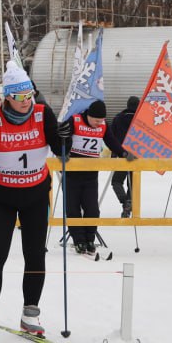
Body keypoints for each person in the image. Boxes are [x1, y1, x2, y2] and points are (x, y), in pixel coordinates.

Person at [0, 60, 69, 339]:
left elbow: (62, 150)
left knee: (35, 254)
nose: (26, 102)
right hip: (2, 196)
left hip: (36, 194)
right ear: (7, 98)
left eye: (29, 96)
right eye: (19, 97)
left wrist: (65, 137)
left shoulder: (42, 113)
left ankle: (30, 311)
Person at [63, 99, 109, 255]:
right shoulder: (75, 120)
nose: (99, 123)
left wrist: (123, 153)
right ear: (89, 116)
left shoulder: (103, 125)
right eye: (96, 120)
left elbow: (112, 140)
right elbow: (64, 137)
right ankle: (79, 241)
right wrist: (64, 151)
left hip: (91, 176)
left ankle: (89, 239)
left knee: (92, 210)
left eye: (101, 120)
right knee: (72, 209)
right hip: (72, 175)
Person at [108, 96, 138, 217]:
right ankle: (129, 203)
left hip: (122, 155)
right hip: (136, 156)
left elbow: (112, 137)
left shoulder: (118, 118)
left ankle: (125, 202)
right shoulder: (141, 120)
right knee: (133, 183)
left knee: (116, 181)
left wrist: (114, 154)